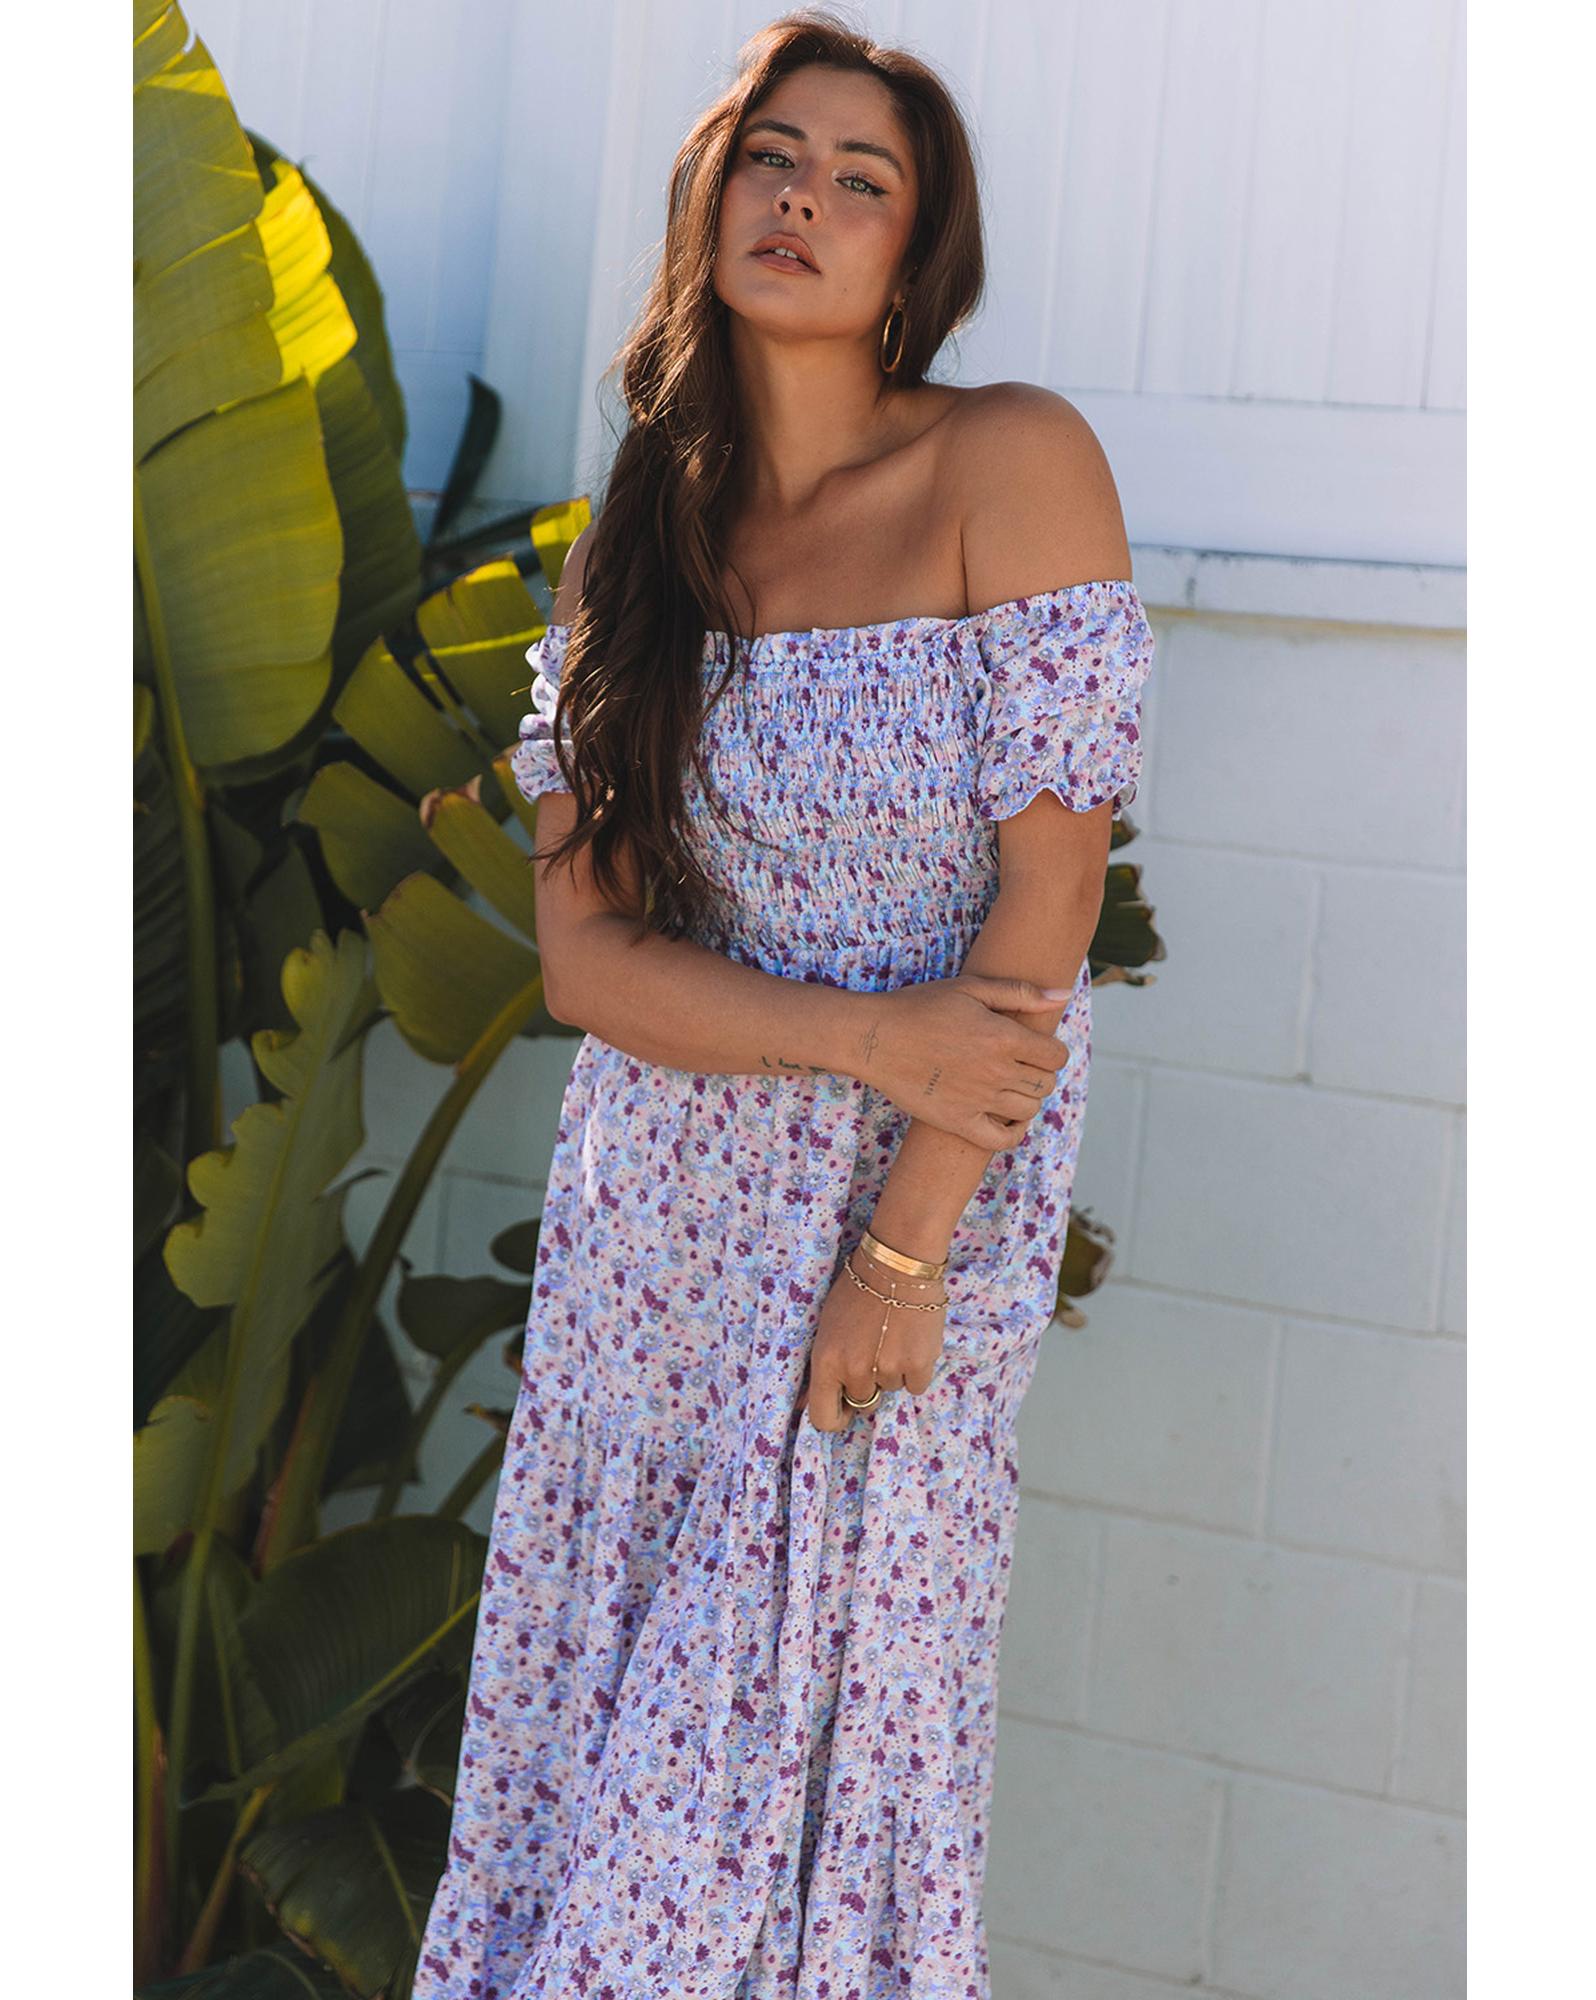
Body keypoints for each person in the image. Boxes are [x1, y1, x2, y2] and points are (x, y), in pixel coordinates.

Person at [414, 12, 1155, 1998]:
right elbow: (587, 962)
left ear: (916, 252)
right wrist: (862, 1032)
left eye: (860, 178)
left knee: (806, 1769)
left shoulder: (1013, 463)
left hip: (901, 1233)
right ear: (710, 195)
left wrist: (900, 1255)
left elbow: (1045, 915)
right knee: (609, 1783)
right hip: (654, 1238)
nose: (804, 199)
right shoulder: (632, 554)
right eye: (773, 156)